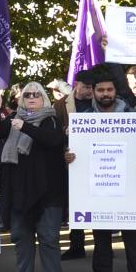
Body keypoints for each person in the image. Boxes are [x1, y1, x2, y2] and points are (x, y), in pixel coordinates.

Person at [74, 71, 136, 272]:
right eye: (101, 90)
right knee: (100, 232)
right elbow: (78, 150)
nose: (105, 94)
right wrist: (69, 155)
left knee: (132, 233)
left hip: (128, 183)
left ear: (115, 91)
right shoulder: (86, 118)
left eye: (109, 90)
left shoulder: (132, 115)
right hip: (98, 183)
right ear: (94, 92)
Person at [0, 82, 67, 272]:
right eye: (27, 95)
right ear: (21, 99)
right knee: (21, 237)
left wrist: (24, 127)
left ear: (44, 99)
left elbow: (52, 140)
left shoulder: (50, 119)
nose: (32, 97)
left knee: (48, 237)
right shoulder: (15, 117)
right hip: (19, 190)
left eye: (37, 94)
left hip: (47, 190)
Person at [56, 69, 95, 261]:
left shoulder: (99, 104)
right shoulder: (61, 105)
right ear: (76, 84)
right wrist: (65, 135)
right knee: (75, 203)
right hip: (70, 160)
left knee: (97, 202)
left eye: (91, 87)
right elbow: (54, 132)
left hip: (96, 158)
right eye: (86, 87)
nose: (89, 91)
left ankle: (102, 243)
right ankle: (77, 244)